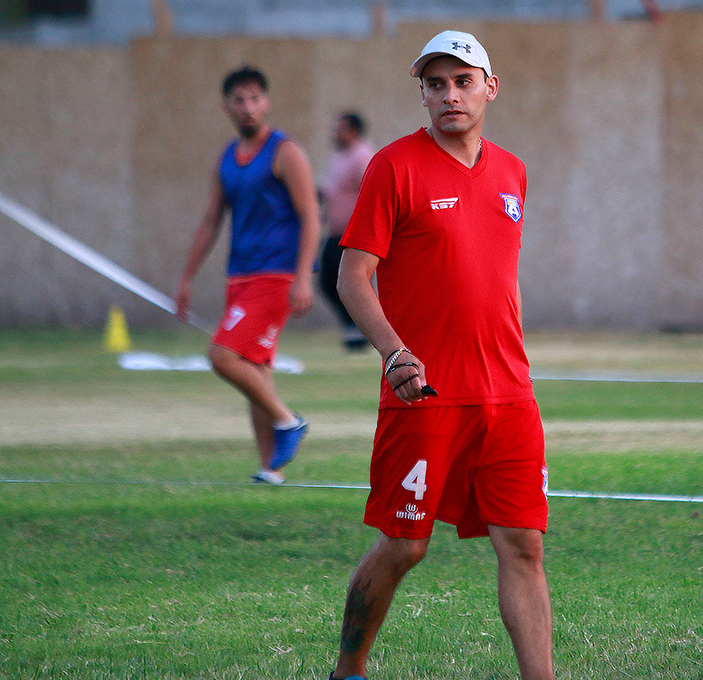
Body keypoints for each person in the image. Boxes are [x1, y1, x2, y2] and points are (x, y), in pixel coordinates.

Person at [326, 30, 553, 680]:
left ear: (490, 87)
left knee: (525, 546)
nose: (449, 94)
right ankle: (349, 669)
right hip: (423, 393)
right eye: (435, 84)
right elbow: (352, 277)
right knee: (405, 544)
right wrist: (395, 352)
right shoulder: (393, 167)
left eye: (462, 80)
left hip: (510, 394)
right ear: (422, 93)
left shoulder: (513, 171)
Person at [174, 65, 318, 486]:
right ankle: (270, 469)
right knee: (255, 369)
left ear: (267, 102)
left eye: (255, 98)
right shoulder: (226, 158)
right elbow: (209, 222)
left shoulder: (285, 152)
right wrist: (185, 278)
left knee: (222, 356)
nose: (248, 107)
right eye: (239, 99)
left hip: (276, 277)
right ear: (226, 106)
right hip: (239, 278)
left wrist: (304, 277)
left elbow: (311, 217)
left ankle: (288, 421)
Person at [318, 111, 374, 352]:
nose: (335, 132)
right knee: (328, 281)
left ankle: (360, 329)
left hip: (352, 235)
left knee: (350, 282)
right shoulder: (341, 157)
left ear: (353, 130)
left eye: (340, 128)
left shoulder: (362, 156)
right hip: (336, 233)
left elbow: (371, 191)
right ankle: (354, 327)